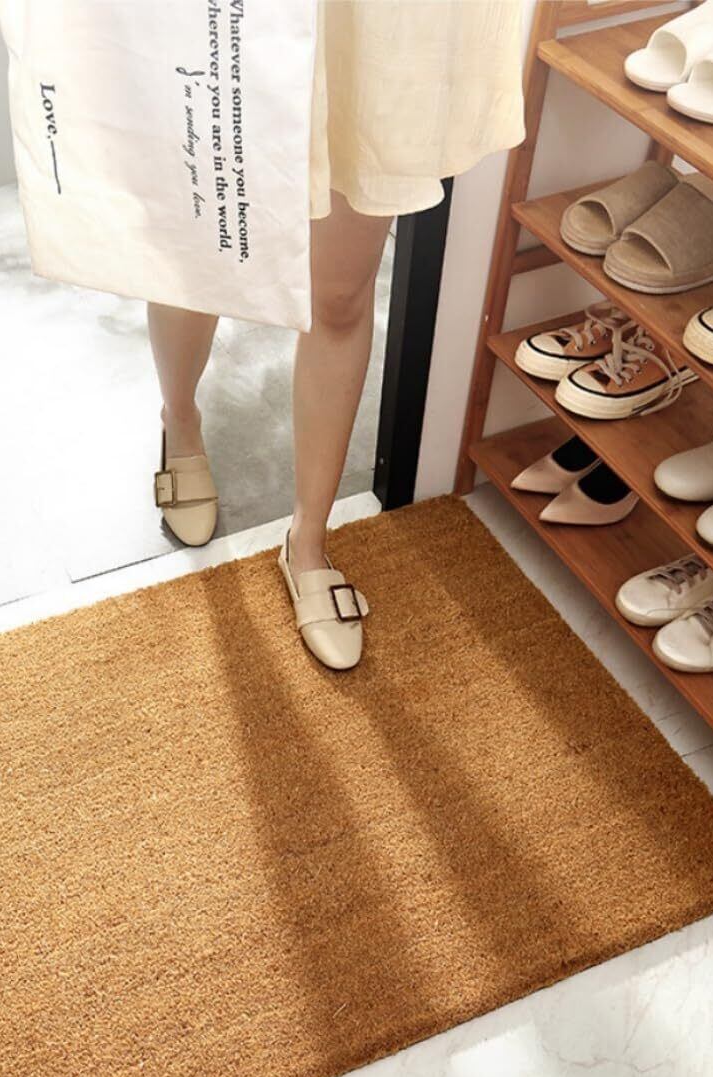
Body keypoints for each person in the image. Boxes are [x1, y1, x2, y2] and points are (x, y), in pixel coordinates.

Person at [146, 0, 523, 670]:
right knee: (200, 249)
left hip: (380, 24)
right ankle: (180, 420)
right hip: (229, 19)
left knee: (342, 296)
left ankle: (309, 540)